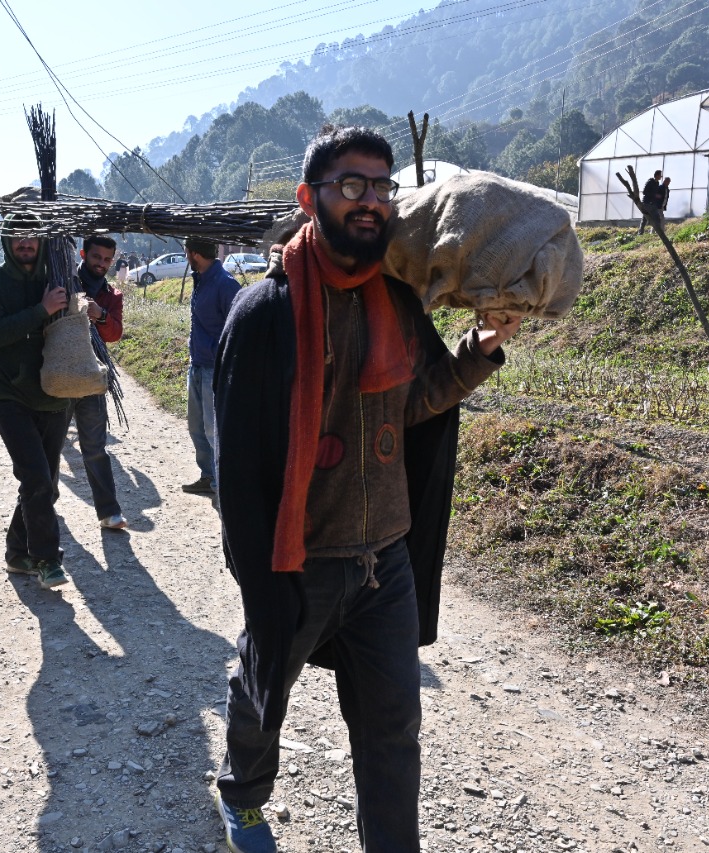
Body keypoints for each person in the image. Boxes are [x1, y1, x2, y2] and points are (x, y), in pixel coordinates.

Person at [210, 125, 521, 853]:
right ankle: (243, 795)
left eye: (382, 187)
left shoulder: (396, 300)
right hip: (301, 560)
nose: (370, 201)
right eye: (352, 185)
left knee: (392, 726)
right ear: (309, 198)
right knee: (264, 689)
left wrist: (480, 349)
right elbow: (239, 474)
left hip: (384, 560)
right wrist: (262, 584)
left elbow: (413, 403)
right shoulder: (263, 315)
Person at [0, 214, 73, 591]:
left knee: (44, 484)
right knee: (35, 478)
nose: (25, 243)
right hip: (10, 396)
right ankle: (47, 560)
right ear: (6, 242)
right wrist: (40, 311)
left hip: (55, 396)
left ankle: (17, 553)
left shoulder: (58, 279)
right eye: (17, 237)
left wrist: (89, 309)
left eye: (32, 237)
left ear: (43, 241)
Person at [58, 234, 128, 531]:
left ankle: (108, 512)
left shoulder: (111, 295)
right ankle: (42, 508)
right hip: (58, 375)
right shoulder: (63, 281)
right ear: (84, 254)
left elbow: (114, 334)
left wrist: (99, 315)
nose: (102, 264)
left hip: (92, 375)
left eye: (107, 260)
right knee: (50, 447)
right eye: (97, 257)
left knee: (95, 445)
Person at [180, 236, 240, 496]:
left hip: (214, 369)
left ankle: (223, 483)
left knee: (213, 429)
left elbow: (237, 330)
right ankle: (208, 476)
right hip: (197, 365)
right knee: (196, 427)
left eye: (186, 253)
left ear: (194, 253)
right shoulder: (202, 279)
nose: (186, 258)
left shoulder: (226, 285)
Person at [638, 169, 664, 234]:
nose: (661, 177)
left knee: (657, 217)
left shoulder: (657, 183)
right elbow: (644, 192)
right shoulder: (650, 182)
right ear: (657, 175)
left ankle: (657, 232)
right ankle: (640, 232)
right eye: (660, 175)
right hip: (647, 203)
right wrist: (655, 195)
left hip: (653, 203)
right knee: (645, 218)